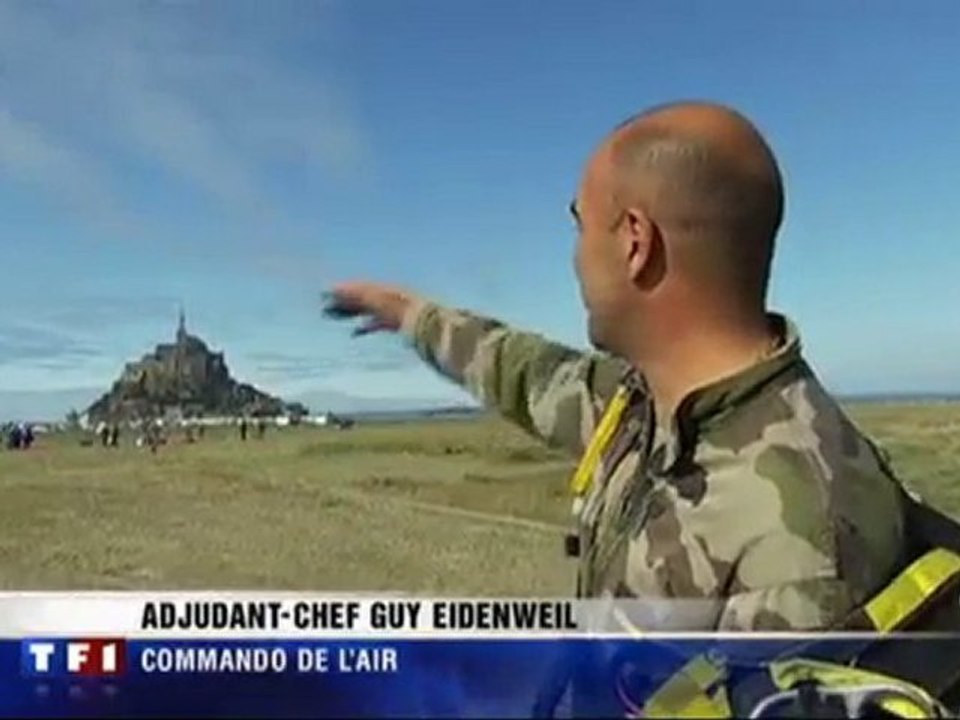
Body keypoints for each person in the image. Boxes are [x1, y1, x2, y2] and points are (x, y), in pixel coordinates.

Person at [322, 101, 915, 633]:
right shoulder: (643, 406)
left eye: (580, 224)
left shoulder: (801, 540)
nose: (576, 257)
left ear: (635, 241)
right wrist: (409, 315)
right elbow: (524, 372)